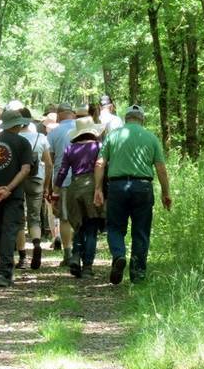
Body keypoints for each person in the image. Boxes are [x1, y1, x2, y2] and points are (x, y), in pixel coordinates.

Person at [93, 104, 172, 285]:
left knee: (114, 227)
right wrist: (166, 193)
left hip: (117, 186)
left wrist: (98, 188)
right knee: (141, 231)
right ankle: (137, 274)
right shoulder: (151, 138)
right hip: (143, 187)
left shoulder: (113, 135)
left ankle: (119, 255)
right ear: (142, 119)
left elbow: (99, 164)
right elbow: (161, 169)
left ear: (126, 118)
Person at [0, 109, 34, 288]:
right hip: (14, 195)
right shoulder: (23, 143)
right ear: (17, 125)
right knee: (9, 231)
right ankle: (3, 273)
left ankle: (3, 269)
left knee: (1, 229)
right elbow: (25, 169)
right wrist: (9, 189)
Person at [54, 117, 105, 279]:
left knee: (79, 225)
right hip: (92, 187)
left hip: (74, 187)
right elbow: (104, 168)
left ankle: (76, 255)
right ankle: (88, 267)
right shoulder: (99, 147)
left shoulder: (70, 149)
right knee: (91, 228)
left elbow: (62, 171)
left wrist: (55, 191)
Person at [16, 107, 53, 270]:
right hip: (36, 179)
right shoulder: (41, 137)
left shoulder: (13, 138)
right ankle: (37, 244)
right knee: (34, 216)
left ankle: (22, 257)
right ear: (30, 121)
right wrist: (46, 186)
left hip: (17, 181)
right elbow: (49, 165)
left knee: (18, 217)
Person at [47, 103, 77, 266]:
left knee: (64, 218)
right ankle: (81, 253)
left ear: (58, 116)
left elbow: (50, 160)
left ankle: (68, 254)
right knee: (81, 217)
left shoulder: (53, 133)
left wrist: (50, 187)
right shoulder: (82, 130)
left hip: (62, 179)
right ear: (72, 114)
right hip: (82, 178)